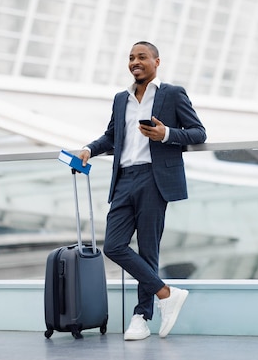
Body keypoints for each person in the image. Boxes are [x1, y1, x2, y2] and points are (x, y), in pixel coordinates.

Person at [79, 41, 206, 341]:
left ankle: (141, 316)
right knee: (113, 245)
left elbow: (199, 132)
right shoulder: (121, 98)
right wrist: (88, 149)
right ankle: (166, 294)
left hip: (154, 179)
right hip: (123, 179)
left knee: (149, 250)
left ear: (156, 62)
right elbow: (112, 136)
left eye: (142, 57)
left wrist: (166, 134)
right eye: (131, 58)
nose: (135, 62)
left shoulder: (173, 94)